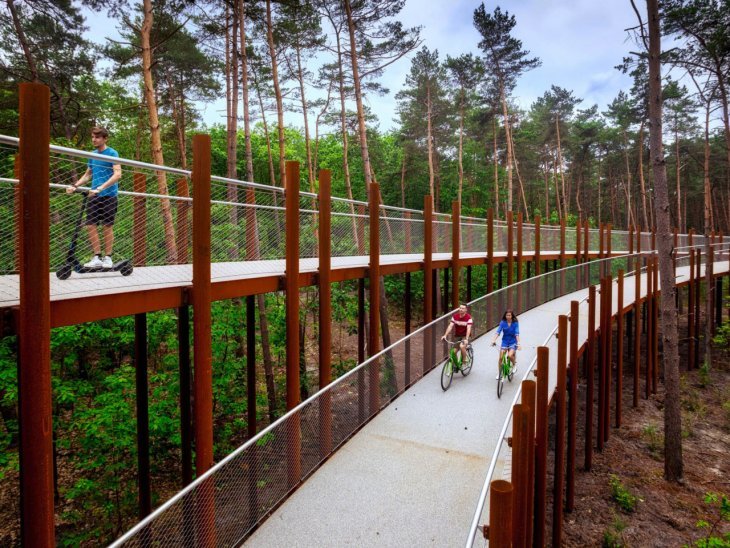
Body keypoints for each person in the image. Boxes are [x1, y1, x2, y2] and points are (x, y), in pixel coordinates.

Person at [66, 126, 122, 268]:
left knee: (107, 226)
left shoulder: (112, 153)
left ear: (105, 138)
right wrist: (75, 185)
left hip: (109, 195)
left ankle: (108, 258)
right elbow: (88, 174)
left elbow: (118, 174)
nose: (94, 140)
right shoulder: (92, 154)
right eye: (92, 137)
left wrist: (101, 188)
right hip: (94, 195)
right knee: (90, 225)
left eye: (97, 137)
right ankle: (97, 257)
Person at [491, 309, 521, 379]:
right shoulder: (503, 322)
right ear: (505, 315)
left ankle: (514, 365)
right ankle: (499, 373)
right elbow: (498, 332)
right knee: (501, 358)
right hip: (504, 341)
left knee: (510, 355)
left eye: (509, 315)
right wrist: (493, 340)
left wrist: (519, 344)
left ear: (512, 316)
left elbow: (517, 333)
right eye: (507, 315)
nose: (508, 316)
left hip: (513, 342)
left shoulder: (515, 323)